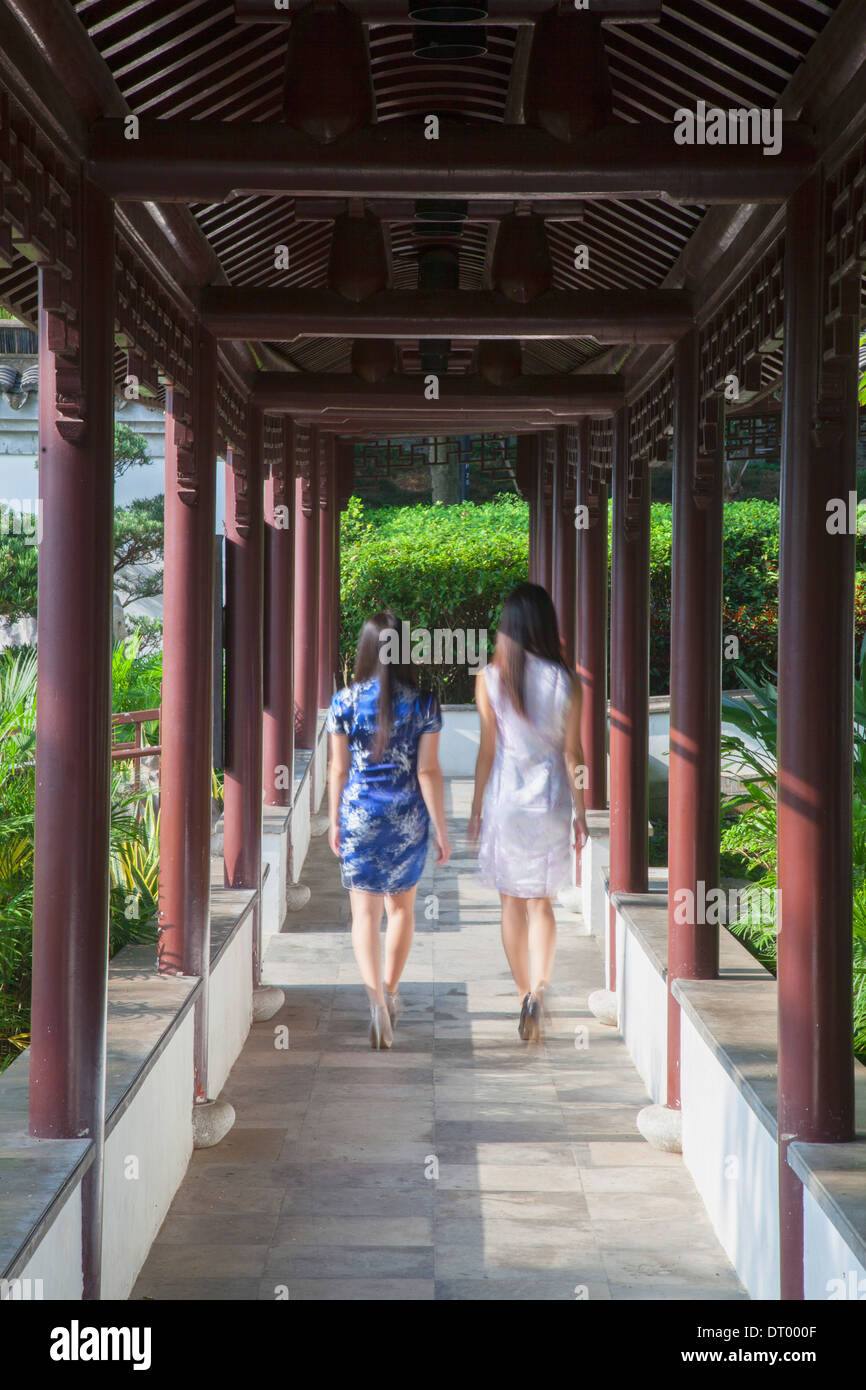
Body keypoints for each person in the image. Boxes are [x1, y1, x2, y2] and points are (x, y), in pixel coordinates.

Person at [468, 582, 589, 1043]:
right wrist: (580, 812)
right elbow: (573, 754)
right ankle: (540, 989)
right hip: (551, 803)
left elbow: (487, 750)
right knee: (542, 903)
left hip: (506, 804)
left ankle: (524, 993)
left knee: (510, 903)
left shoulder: (489, 678)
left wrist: (477, 807)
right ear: (545, 625)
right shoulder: (566, 680)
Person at [327, 609, 451, 1049]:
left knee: (364, 914)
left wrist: (334, 820)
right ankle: (392, 990)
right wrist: (440, 827)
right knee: (401, 911)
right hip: (406, 820)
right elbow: (428, 772)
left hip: (360, 816)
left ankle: (375, 1003)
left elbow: (338, 770)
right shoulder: (424, 703)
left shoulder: (343, 702)